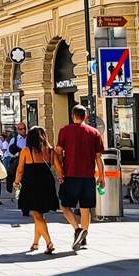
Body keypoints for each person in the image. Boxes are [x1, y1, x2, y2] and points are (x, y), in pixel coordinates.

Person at [54, 105, 105, 251]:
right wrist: (101, 176)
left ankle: (77, 230)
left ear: (72, 115)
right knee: (85, 208)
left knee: (64, 206)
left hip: (70, 175)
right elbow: (98, 158)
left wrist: (59, 169)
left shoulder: (65, 130)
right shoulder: (94, 132)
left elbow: (58, 151)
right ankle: (84, 238)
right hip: (88, 176)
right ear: (86, 116)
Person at [14, 126, 60, 254]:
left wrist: (16, 183)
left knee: (36, 214)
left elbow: (20, 169)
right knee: (39, 215)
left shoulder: (26, 151)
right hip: (47, 183)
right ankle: (35, 243)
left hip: (31, 184)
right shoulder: (50, 150)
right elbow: (58, 168)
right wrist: (61, 178)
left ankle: (49, 242)